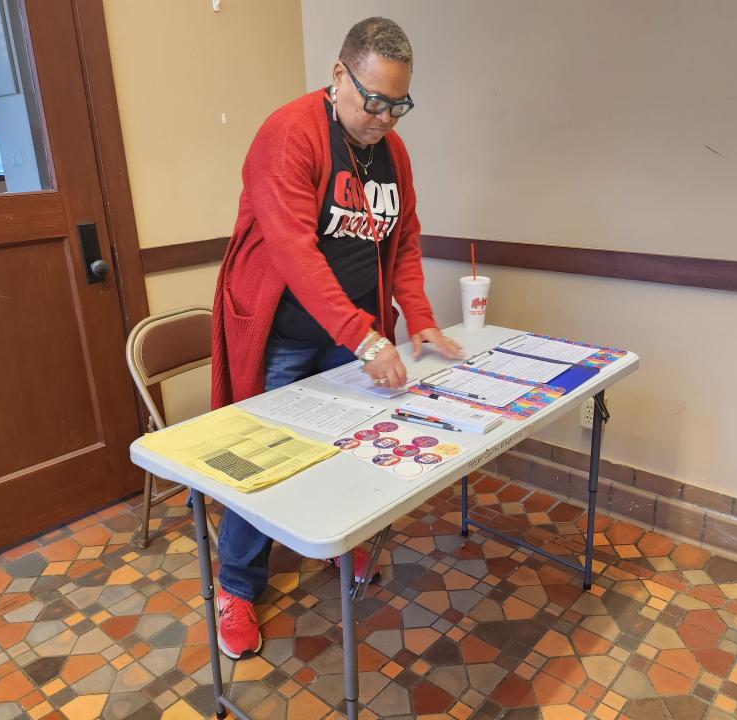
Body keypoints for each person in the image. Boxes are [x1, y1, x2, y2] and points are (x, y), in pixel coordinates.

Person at [210, 17, 463, 658]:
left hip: (352, 333)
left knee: (346, 448)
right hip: (288, 333)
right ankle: (236, 586)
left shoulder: (392, 152)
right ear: (336, 76)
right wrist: (367, 339)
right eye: (372, 100)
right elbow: (295, 251)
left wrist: (420, 317)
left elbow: (401, 239)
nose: (383, 118)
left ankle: (334, 545)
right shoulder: (289, 133)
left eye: (397, 105)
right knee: (259, 459)